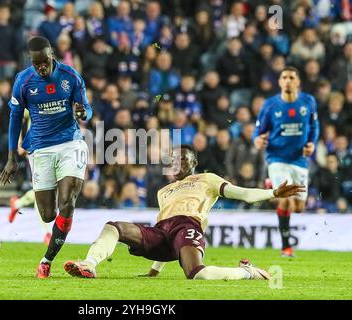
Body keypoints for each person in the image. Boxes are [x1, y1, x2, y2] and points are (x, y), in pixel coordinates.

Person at [63, 145, 304, 280]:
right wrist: (154, 271)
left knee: (197, 274)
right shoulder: (164, 191)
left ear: (192, 162)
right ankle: (89, 264)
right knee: (114, 226)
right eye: (172, 159)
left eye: (181, 158)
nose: (175, 162)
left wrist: (272, 194)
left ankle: (248, 272)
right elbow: (164, 227)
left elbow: (242, 194)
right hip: (161, 233)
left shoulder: (206, 179)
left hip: (188, 228)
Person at [0, 36, 92, 279]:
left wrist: (84, 113)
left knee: (68, 202)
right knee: (48, 214)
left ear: (51, 55)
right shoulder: (23, 80)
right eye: (35, 63)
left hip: (70, 143)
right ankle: (51, 245)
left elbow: (86, 109)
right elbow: (15, 119)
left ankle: (46, 260)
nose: (40, 67)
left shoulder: (70, 76)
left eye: (43, 61)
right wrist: (12, 156)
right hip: (40, 148)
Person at [253, 66, 319, 257]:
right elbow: (258, 130)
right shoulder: (271, 105)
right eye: (284, 77)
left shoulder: (308, 101)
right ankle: (286, 247)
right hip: (277, 158)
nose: (288, 80)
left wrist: (312, 144)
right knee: (287, 202)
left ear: (298, 81)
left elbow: (314, 126)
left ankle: (270, 185)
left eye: (291, 77)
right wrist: (257, 140)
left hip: (299, 160)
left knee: (298, 207)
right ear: (280, 82)